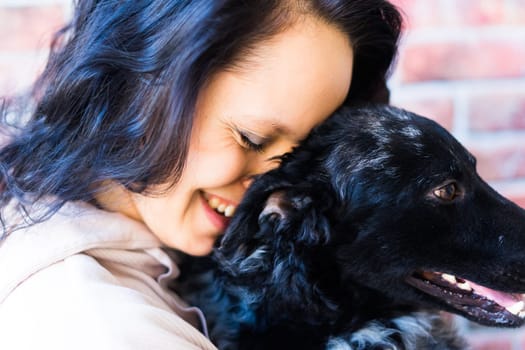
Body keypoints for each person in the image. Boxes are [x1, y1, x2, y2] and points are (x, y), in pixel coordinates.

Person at [0, 0, 402, 349]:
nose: (278, 189)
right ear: (146, 81)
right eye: (252, 138)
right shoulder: (105, 327)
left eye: (304, 152)